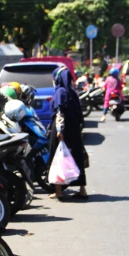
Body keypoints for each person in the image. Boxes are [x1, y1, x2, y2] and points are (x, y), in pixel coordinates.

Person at [48, 66, 88, 200]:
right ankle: (82, 190)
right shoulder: (72, 92)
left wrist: (60, 130)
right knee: (77, 157)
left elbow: (60, 112)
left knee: (57, 157)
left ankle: (58, 191)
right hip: (74, 129)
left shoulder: (60, 92)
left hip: (63, 130)